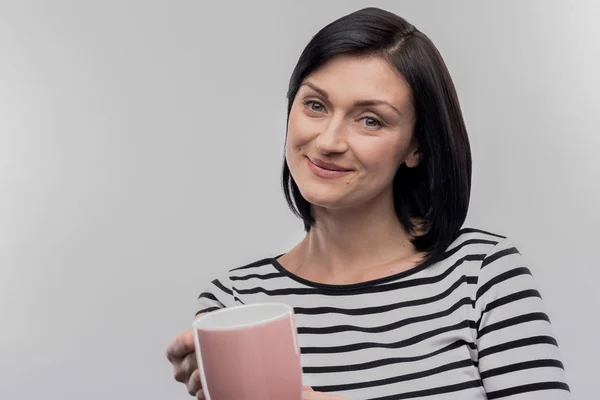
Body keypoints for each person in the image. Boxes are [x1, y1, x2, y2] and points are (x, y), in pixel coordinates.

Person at [166, 7, 570, 399]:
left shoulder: (480, 273)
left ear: (416, 146)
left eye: (370, 120)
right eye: (315, 105)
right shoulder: (237, 300)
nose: (328, 142)